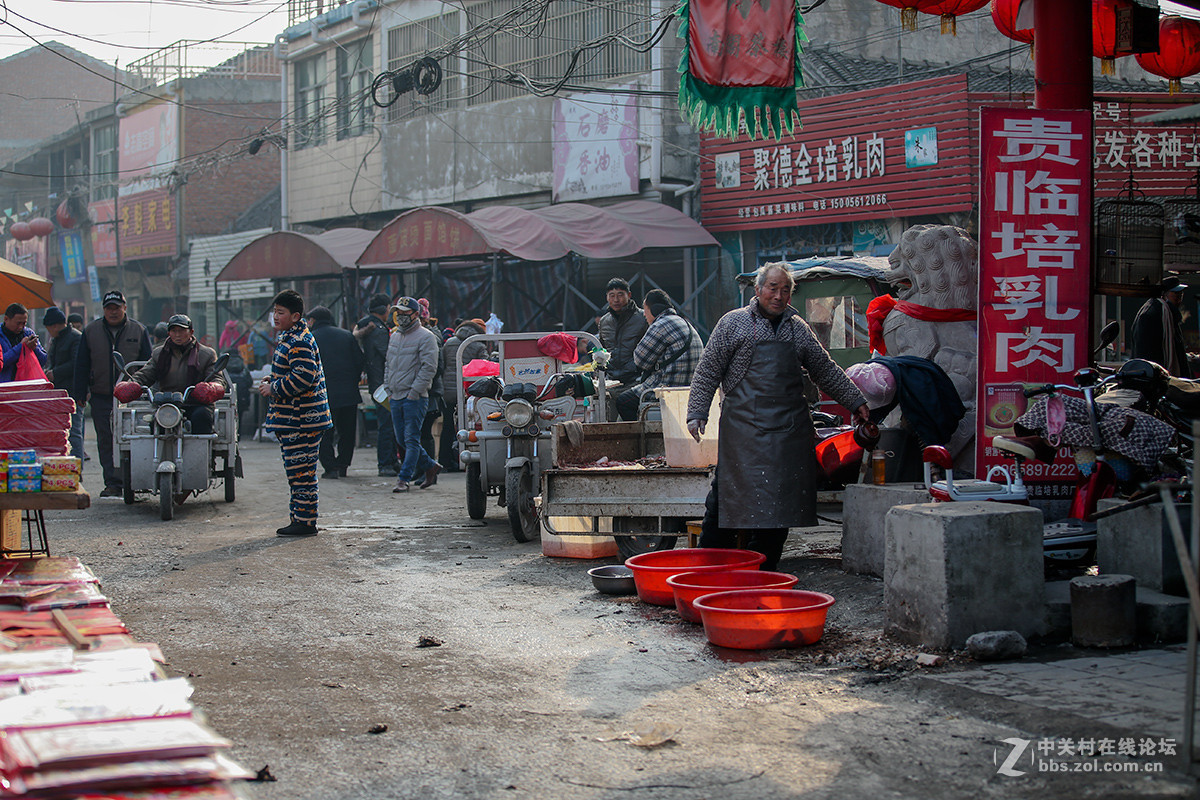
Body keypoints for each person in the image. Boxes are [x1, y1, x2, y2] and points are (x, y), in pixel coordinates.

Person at [686, 263, 870, 571]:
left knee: (776, 513)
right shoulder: (733, 323)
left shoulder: (798, 328)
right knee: (723, 506)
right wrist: (697, 413)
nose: (779, 295)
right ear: (758, 290)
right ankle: (710, 573)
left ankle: (762, 575)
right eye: (773, 288)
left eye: (785, 290)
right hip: (742, 437)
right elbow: (708, 370)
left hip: (787, 438)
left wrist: (855, 400)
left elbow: (824, 369)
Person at [257, 290, 332, 537]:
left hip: (302, 420)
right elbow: (294, 371)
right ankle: (300, 518)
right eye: (274, 312)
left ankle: (305, 522)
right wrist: (274, 379)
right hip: (294, 420)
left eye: (281, 312)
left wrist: (274, 388)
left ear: (295, 316)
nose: (275, 317)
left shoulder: (298, 340)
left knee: (302, 474)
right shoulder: (290, 337)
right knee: (298, 474)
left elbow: (304, 377)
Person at [73, 291, 152, 497]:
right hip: (101, 396)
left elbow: (149, 364)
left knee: (134, 438)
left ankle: (134, 481)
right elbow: (81, 364)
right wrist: (80, 392)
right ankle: (113, 483)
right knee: (106, 439)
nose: (113, 312)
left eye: (117, 308)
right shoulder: (91, 331)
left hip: (132, 397)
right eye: (109, 308)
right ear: (104, 310)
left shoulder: (139, 330)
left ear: (124, 308)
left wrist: (149, 392)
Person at [121, 314, 228, 435]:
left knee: (202, 417)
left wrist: (211, 388)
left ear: (191, 332)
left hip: (196, 403)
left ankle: (203, 447)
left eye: (182, 331)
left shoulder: (206, 354)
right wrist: (132, 384)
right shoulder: (159, 353)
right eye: (174, 331)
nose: (177, 335)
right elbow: (146, 373)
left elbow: (217, 377)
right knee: (156, 424)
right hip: (166, 402)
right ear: (169, 333)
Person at [614, 290, 704, 422]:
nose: (644, 314)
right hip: (688, 389)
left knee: (623, 401)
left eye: (645, 309)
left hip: (668, 388)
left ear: (654, 309)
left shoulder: (661, 324)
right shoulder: (685, 323)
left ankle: (642, 435)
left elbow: (640, 360)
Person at [384, 296, 440, 493]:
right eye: (398, 312)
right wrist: (388, 388)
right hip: (396, 396)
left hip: (414, 398)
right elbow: (388, 364)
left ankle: (403, 478)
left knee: (411, 439)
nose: (401, 316)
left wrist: (415, 392)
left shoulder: (426, 337)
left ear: (416, 314)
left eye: (405, 313)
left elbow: (429, 368)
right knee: (402, 439)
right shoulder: (395, 336)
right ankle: (431, 466)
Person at [307, 306, 364, 480]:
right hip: (348, 393)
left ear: (313, 320)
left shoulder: (310, 339)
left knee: (323, 432)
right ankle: (343, 465)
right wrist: (352, 381)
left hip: (321, 395)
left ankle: (330, 468)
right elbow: (359, 361)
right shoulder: (346, 335)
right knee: (347, 432)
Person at [354, 293, 401, 476]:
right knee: (387, 425)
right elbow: (388, 356)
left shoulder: (367, 326)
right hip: (383, 384)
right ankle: (386, 463)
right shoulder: (378, 330)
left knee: (389, 423)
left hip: (377, 382)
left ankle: (391, 461)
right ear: (385, 309)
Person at [440, 318, 488, 471]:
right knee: (469, 426)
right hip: (468, 391)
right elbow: (484, 367)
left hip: (448, 391)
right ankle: (467, 459)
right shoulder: (478, 345)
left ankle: (445, 461)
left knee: (448, 426)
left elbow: (442, 365)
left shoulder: (449, 343)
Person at [1132, 274, 1193, 378]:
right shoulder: (1152, 314)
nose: (1179, 298)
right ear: (1164, 295)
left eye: (1181, 294)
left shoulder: (1167, 313)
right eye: (1176, 294)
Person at [43, 307, 84, 458]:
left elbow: (77, 363)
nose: (49, 332)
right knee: (61, 433)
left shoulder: (76, 338)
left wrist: (55, 373)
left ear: (54, 326)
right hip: (58, 393)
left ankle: (77, 466)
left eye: (48, 329)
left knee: (74, 432)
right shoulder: (56, 339)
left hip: (73, 392)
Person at [596, 277, 648, 386]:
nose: (616, 300)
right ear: (607, 297)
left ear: (629, 295)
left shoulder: (643, 318)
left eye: (620, 295)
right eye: (612, 295)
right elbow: (601, 349)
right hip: (611, 380)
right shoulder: (604, 321)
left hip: (637, 379)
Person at [0, 303, 49, 383]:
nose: (21, 327)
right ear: (6, 319)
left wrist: (34, 348)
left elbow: (43, 360)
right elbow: (2, 362)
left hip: (26, 384)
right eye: (18, 323)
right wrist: (21, 347)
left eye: (24, 323)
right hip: (5, 385)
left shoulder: (28, 333)